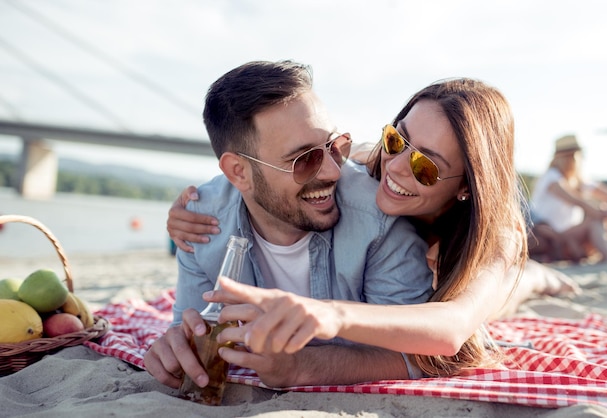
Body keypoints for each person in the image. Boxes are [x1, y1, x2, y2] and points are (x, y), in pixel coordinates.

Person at [168, 77, 580, 379]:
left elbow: (453, 328)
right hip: (411, 262)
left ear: (467, 187)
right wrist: (205, 202)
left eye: (426, 166)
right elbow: (273, 165)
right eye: (398, 141)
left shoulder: (497, 236)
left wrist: (331, 316)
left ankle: (541, 276)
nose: (397, 167)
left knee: (505, 296)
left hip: (465, 265)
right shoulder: (371, 167)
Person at [144, 60, 435, 389]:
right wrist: (178, 347)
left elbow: (421, 355)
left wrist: (303, 367)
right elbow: (193, 332)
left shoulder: (379, 217)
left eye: (335, 147)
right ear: (239, 172)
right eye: (304, 159)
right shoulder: (199, 223)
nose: (331, 172)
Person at [530, 134, 607, 264]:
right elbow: (577, 201)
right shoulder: (551, 178)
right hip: (552, 236)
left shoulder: (579, 180)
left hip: (572, 234)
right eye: (569, 156)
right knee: (596, 220)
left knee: (602, 216)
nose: (573, 160)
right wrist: (602, 213)